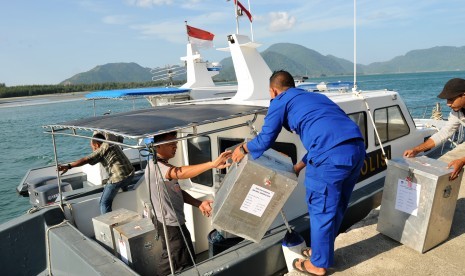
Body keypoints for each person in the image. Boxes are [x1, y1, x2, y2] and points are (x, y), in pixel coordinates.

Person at [231, 70, 366, 275]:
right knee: (336, 206)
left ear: (273, 90)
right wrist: (298, 167)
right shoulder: (316, 97)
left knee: (320, 209)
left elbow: (266, 138)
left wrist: (242, 149)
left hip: (329, 157)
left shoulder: (280, 100)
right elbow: (329, 136)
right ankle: (322, 253)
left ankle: (318, 265)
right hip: (356, 150)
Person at [145, 131, 231, 276]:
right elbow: (178, 173)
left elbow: (177, 190)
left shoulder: (162, 165)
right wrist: (212, 164)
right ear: (157, 147)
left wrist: (199, 204)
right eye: (171, 143)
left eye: (176, 143)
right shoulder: (158, 167)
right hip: (170, 224)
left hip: (172, 222)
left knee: (179, 257)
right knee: (177, 261)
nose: (175, 146)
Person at [58, 133, 134, 214]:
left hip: (119, 178)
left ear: (97, 144)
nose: (93, 149)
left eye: (92, 147)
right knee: (122, 185)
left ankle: (109, 224)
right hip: (130, 174)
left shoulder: (101, 149)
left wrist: (69, 166)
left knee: (104, 203)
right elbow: (119, 137)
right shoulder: (111, 142)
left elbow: (86, 159)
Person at [404, 78, 465, 180]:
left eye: (451, 99)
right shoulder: (457, 112)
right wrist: (416, 150)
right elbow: (444, 133)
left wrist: (462, 161)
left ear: (463, 95)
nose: (448, 104)